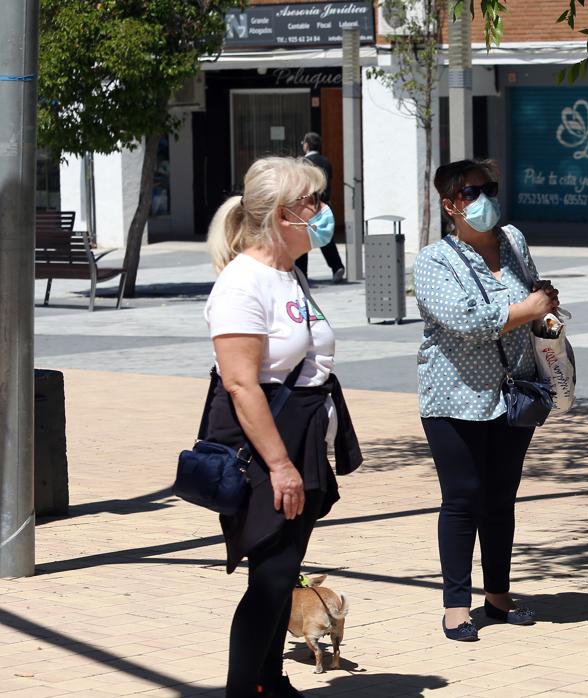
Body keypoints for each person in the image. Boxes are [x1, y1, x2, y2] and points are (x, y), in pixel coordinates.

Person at [205, 156, 362, 697]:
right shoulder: (242, 283)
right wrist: (280, 466)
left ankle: (268, 681)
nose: (322, 212)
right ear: (278, 215)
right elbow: (241, 385)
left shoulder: (288, 273)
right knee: (271, 581)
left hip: (304, 442)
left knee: (282, 573)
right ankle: (243, 687)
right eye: (311, 203)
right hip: (267, 451)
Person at [412, 159, 559, 642]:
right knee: (463, 499)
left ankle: (497, 598)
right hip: (456, 396)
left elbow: (531, 296)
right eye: (473, 192)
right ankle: (456, 605)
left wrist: (544, 313)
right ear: (450, 204)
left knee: (501, 498)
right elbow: (467, 321)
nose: (485, 198)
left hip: (514, 392)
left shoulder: (513, 240)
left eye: (489, 188)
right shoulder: (435, 260)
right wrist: (527, 309)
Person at [296, 132, 346, 283]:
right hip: (324, 204)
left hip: (308, 205)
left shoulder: (304, 163)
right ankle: (337, 266)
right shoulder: (326, 161)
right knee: (325, 237)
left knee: (303, 238)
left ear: (307, 145)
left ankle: (301, 273)